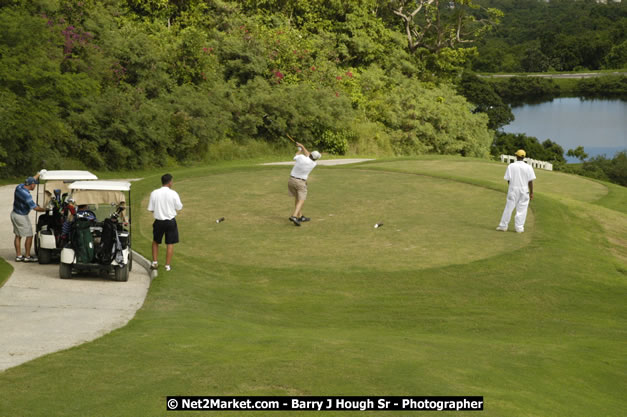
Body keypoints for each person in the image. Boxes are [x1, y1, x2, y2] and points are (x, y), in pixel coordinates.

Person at [148, 173, 183, 271]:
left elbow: (151, 209)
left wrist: (159, 211)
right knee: (170, 243)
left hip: (158, 221)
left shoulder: (154, 193)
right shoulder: (173, 193)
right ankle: (167, 266)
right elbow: (179, 207)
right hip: (170, 221)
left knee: (155, 241)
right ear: (170, 182)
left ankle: (155, 262)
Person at [497, 149, 536, 233]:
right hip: (524, 190)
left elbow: (508, 179)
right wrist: (531, 192)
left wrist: (511, 186)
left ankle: (503, 226)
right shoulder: (528, 167)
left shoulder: (511, 166)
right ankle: (519, 228)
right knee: (522, 209)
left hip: (513, 188)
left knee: (508, 208)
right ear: (524, 157)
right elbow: (530, 181)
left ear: (516, 156)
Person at [12, 172, 47, 262]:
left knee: (18, 235)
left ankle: (18, 256)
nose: (35, 186)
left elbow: (31, 179)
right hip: (21, 216)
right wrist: (46, 209)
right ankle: (27, 256)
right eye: (35, 184)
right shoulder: (27, 195)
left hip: (14, 214)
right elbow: (35, 208)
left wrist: (38, 174)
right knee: (29, 235)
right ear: (31, 185)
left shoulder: (19, 187)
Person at [288, 142, 321, 226]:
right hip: (301, 182)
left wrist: (300, 149)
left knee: (297, 199)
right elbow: (308, 154)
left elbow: (296, 156)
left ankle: (300, 216)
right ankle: (294, 216)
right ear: (315, 158)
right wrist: (302, 147)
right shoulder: (313, 163)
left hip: (291, 181)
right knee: (301, 200)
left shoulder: (301, 157)